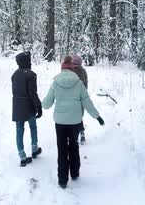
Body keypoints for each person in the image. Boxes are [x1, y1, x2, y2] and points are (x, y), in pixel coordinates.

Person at [42, 55, 104, 189]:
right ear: (72, 69)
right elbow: (87, 102)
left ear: (62, 69)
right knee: (74, 146)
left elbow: (46, 104)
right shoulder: (79, 83)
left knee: (62, 150)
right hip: (75, 121)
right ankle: (75, 173)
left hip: (60, 123)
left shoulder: (55, 83)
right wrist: (97, 116)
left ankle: (62, 180)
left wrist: (41, 103)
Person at [12, 51, 43, 167]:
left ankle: (22, 157)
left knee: (19, 130)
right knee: (33, 127)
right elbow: (32, 93)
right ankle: (34, 149)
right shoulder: (31, 74)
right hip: (28, 106)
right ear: (27, 62)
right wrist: (38, 106)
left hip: (17, 106)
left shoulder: (14, 75)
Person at [71, 55, 88, 144]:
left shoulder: (71, 72)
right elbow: (85, 86)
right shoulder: (84, 71)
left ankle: (75, 135)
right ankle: (81, 133)